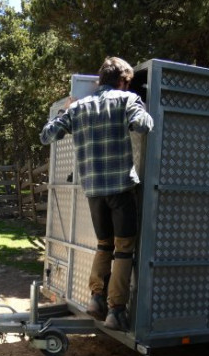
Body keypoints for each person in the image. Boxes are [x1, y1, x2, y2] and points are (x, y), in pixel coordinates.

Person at [40, 57, 154, 331]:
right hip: (121, 190)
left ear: (99, 80)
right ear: (124, 81)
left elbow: (47, 135)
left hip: (93, 191)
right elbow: (144, 125)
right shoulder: (126, 100)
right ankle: (116, 310)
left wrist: (65, 111)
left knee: (104, 244)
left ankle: (96, 299)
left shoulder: (78, 107)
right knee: (124, 249)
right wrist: (137, 102)